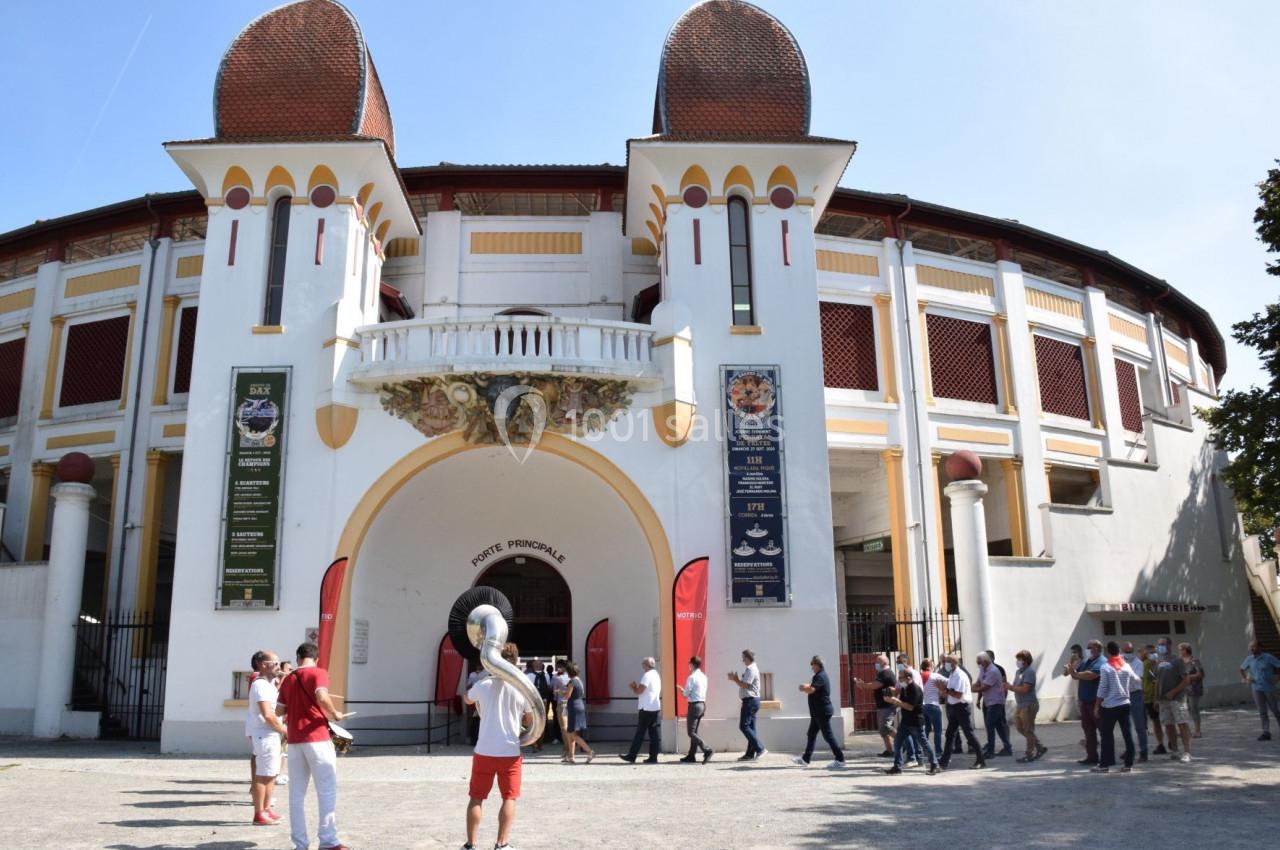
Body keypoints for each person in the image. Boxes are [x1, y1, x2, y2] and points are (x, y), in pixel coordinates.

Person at [276, 642, 351, 850]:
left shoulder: (289, 678)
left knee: (296, 795)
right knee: (326, 790)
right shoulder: (319, 672)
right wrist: (334, 713)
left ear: (298, 657)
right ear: (316, 658)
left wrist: (296, 702)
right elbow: (322, 696)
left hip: (294, 740)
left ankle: (300, 844)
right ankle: (328, 841)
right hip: (317, 737)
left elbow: (279, 711)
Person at [463, 641, 534, 850]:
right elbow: (530, 721)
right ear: (515, 661)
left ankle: (470, 845)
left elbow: (467, 699)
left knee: (476, 798)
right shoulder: (522, 688)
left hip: (484, 750)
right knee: (509, 798)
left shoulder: (483, 684)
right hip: (510, 751)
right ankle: (501, 844)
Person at [246, 650, 286, 826]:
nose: (278, 666)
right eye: (275, 663)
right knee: (263, 775)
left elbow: (277, 710)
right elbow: (267, 715)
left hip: (271, 733)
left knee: (271, 774)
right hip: (265, 733)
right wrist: (286, 730)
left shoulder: (270, 684)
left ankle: (267, 808)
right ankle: (259, 813)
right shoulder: (260, 685)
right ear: (263, 665)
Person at [1093, 641, 1138, 773]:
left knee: (1106, 735)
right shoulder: (1126, 666)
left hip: (1110, 705)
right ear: (1119, 651)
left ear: (1108, 652)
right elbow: (1135, 681)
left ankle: (1104, 764)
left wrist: (1097, 705)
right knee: (1128, 734)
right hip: (1125, 703)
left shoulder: (1106, 667)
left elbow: (1103, 687)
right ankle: (1128, 764)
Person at [885, 664, 939, 775]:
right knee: (898, 742)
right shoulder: (904, 689)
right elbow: (902, 703)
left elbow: (910, 707)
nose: (899, 680)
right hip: (906, 722)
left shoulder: (915, 689)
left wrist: (895, 701)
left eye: (901, 678)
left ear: (909, 678)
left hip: (916, 722)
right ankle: (897, 767)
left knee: (924, 744)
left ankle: (935, 765)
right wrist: (892, 700)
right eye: (899, 678)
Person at [793, 656, 845, 768]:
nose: (812, 667)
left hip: (822, 711)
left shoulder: (820, 676)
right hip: (817, 712)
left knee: (828, 736)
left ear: (817, 665)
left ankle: (840, 759)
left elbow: (812, 689)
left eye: (813, 664)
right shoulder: (819, 676)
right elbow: (813, 687)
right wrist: (806, 686)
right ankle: (806, 759)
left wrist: (804, 689)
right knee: (811, 734)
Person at [937, 653, 985, 770]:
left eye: (948, 661)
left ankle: (981, 760)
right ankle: (944, 761)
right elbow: (949, 692)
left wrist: (945, 690)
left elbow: (958, 694)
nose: (945, 664)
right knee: (950, 734)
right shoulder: (952, 674)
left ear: (954, 663)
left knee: (969, 734)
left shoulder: (959, 675)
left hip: (962, 707)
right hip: (954, 707)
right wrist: (943, 691)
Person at [1064, 639, 1104, 765]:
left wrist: (1074, 673)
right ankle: (1092, 756)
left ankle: (1107, 756)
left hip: (1096, 702)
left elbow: (1090, 675)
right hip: (1085, 702)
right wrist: (1071, 664)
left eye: (1089, 647)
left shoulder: (1101, 661)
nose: (1087, 649)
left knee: (1103, 730)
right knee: (1088, 730)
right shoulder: (1087, 661)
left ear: (1097, 648)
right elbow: (1074, 675)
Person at [1154, 636, 1193, 763]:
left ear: (1170, 645)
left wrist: (1174, 692)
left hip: (1177, 699)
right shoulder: (1159, 661)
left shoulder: (1177, 660)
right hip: (1163, 700)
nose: (1161, 647)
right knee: (1169, 725)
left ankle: (1187, 752)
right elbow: (1157, 681)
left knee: (1182, 724)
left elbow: (1186, 680)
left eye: (1163, 644)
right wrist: (1156, 698)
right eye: (1159, 644)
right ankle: (1175, 750)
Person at [852, 653, 897, 757]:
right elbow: (874, 685)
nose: (875, 663)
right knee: (883, 729)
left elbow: (874, 685)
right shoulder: (882, 673)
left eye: (878, 661)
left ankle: (904, 741)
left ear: (884, 663)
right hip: (882, 705)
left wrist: (862, 685)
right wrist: (863, 685)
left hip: (887, 705)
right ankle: (889, 751)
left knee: (886, 727)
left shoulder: (886, 673)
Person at [620, 657, 662, 763]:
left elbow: (639, 691)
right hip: (654, 707)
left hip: (646, 708)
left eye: (643, 663)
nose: (642, 666)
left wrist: (634, 687)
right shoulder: (656, 675)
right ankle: (653, 757)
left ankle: (632, 755)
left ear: (646, 665)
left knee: (640, 733)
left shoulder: (647, 675)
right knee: (653, 734)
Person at [728, 649, 767, 760]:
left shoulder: (751, 669)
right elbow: (745, 685)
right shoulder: (751, 668)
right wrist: (736, 680)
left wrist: (736, 680)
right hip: (752, 700)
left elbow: (745, 685)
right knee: (751, 728)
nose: (742, 660)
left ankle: (760, 748)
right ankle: (750, 754)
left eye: (743, 658)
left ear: (748, 657)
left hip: (750, 701)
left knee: (744, 726)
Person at [1008, 649, 1045, 762]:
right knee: (1020, 727)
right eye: (1017, 659)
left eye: (1020, 659)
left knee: (1028, 730)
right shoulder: (1018, 672)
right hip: (1020, 704)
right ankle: (1039, 747)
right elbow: (1016, 686)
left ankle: (1029, 754)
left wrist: (1010, 687)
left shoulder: (1029, 672)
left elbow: (1025, 689)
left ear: (1026, 660)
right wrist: (1010, 687)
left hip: (1029, 704)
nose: (1018, 661)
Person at [974, 652, 1012, 758]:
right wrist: (976, 693)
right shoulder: (983, 669)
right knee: (999, 726)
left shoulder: (993, 671)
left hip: (996, 702)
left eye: (979, 662)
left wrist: (972, 689)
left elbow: (985, 687)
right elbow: (978, 683)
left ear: (985, 661)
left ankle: (991, 751)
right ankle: (1007, 747)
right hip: (988, 701)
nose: (978, 665)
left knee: (990, 725)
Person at [1240, 639, 1280, 740]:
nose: (1251, 649)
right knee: (1262, 711)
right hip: (1256, 688)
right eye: (1250, 647)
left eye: (1253, 646)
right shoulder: (1249, 659)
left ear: (1259, 647)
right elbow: (1241, 669)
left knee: (1275, 709)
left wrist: (1278, 677)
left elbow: (1278, 665)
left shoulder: (1268, 657)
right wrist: (1245, 679)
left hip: (1269, 688)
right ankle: (1266, 732)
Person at [679, 656, 713, 763]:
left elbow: (686, 694)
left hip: (694, 705)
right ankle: (691, 755)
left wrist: (682, 691)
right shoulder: (704, 677)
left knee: (691, 733)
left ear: (692, 664)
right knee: (694, 732)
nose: (688, 665)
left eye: (689, 663)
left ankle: (707, 749)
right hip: (702, 704)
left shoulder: (691, 677)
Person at [561, 662, 595, 764]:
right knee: (571, 732)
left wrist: (561, 696)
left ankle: (590, 751)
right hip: (579, 705)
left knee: (572, 733)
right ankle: (571, 756)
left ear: (569, 672)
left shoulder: (572, 682)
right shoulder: (579, 681)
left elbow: (567, 695)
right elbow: (575, 693)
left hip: (573, 707)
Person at [1120, 643, 1148, 762]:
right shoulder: (1120, 660)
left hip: (1135, 694)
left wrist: (1125, 672)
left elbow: (1137, 679)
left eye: (1130, 651)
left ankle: (1143, 751)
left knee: (1139, 725)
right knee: (1126, 725)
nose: (1127, 654)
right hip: (1123, 695)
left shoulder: (1138, 663)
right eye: (1125, 651)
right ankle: (1129, 749)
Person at [523, 659, 555, 752]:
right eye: (537, 664)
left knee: (540, 722)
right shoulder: (530, 676)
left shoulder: (545, 675)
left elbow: (548, 687)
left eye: (540, 664)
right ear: (533, 665)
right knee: (534, 722)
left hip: (541, 701)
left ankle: (539, 743)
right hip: (534, 701)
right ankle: (535, 743)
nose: (539, 665)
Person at [1141, 643, 1167, 754]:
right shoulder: (1144, 665)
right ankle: (1160, 744)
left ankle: (1171, 741)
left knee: (1168, 720)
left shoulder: (1161, 664)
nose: (1154, 654)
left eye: (1155, 652)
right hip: (1149, 698)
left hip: (1163, 697)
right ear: (1146, 654)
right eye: (1151, 652)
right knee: (1156, 721)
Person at [920, 659, 945, 756]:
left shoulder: (919, 676)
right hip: (934, 705)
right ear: (929, 667)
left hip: (923, 706)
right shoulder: (935, 676)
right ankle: (938, 751)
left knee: (925, 730)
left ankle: (925, 750)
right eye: (933, 665)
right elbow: (949, 682)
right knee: (937, 730)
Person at [1181, 643, 1204, 738]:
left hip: (1194, 689)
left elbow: (1200, 674)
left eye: (1181, 650)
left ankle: (1198, 731)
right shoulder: (1181, 662)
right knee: (1184, 710)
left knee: (1194, 709)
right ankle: (1186, 730)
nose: (1179, 652)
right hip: (1183, 689)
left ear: (1186, 650)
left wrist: (1188, 677)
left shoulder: (1194, 661)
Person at [551, 660, 571, 755]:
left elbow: (554, 692)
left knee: (563, 727)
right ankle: (570, 747)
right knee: (570, 726)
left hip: (561, 703)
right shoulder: (572, 678)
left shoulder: (558, 678)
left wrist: (556, 696)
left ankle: (567, 748)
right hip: (571, 703)